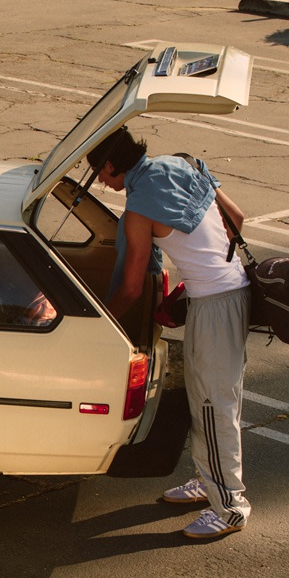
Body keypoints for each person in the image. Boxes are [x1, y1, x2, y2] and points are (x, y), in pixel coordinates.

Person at [88, 128, 251, 541]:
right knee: (206, 397)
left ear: (110, 165)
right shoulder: (184, 163)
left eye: (99, 175)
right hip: (226, 293)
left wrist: (99, 323)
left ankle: (230, 508)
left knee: (215, 404)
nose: (103, 183)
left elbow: (130, 286)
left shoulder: (140, 207)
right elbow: (237, 219)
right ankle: (210, 481)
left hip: (215, 303)